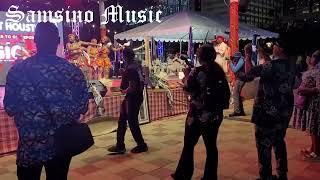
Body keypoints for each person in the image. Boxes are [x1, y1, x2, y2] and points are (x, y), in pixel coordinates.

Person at [4, 22, 89, 180]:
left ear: (35, 39)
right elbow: (83, 106)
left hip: (30, 145)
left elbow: (9, 107)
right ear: (58, 40)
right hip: (61, 144)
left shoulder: (17, 71)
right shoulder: (71, 71)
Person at [171, 44, 230, 180]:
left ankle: (183, 174)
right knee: (211, 147)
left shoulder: (196, 71)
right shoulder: (218, 71)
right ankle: (210, 177)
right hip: (214, 115)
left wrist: (186, 76)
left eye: (198, 52)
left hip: (197, 114)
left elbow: (187, 89)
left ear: (200, 56)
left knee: (189, 144)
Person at [240, 40, 295, 180]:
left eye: (275, 45)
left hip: (267, 112)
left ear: (280, 49)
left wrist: (247, 56)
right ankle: (282, 174)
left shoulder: (270, 66)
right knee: (279, 142)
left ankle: (266, 176)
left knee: (264, 146)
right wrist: (262, 54)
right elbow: (294, 83)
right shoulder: (291, 66)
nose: (273, 47)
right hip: (284, 111)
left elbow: (247, 75)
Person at [108, 48, 148, 154]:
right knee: (123, 120)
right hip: (134, 97)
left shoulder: (130, 68)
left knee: (131, 121)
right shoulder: (136, 65)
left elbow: (133, 86)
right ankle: (120, 145)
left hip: (132, 97)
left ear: (125, 56)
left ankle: (141, 145)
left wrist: (123, 90)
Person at [293, 50, 320, 160]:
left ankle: (316, 153)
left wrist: (305, 90)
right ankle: (313, 148)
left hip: (316, 103)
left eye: (314, 56)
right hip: (311, 102)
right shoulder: (313, 69)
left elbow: (319, 88)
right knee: (312, 127)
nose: (310, 58)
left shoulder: (319, 71)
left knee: (315, 128)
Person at [229, 50, 247, 117]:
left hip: (241, 79)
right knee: (238, 95)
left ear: (238, 57)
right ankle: (240, 111)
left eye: (235, 57)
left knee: (235, 94)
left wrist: (230, 63)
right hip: (240, 78)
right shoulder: (241, 59)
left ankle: (237, 111)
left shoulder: (241, 60)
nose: (234, 58)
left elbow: (235, 70)